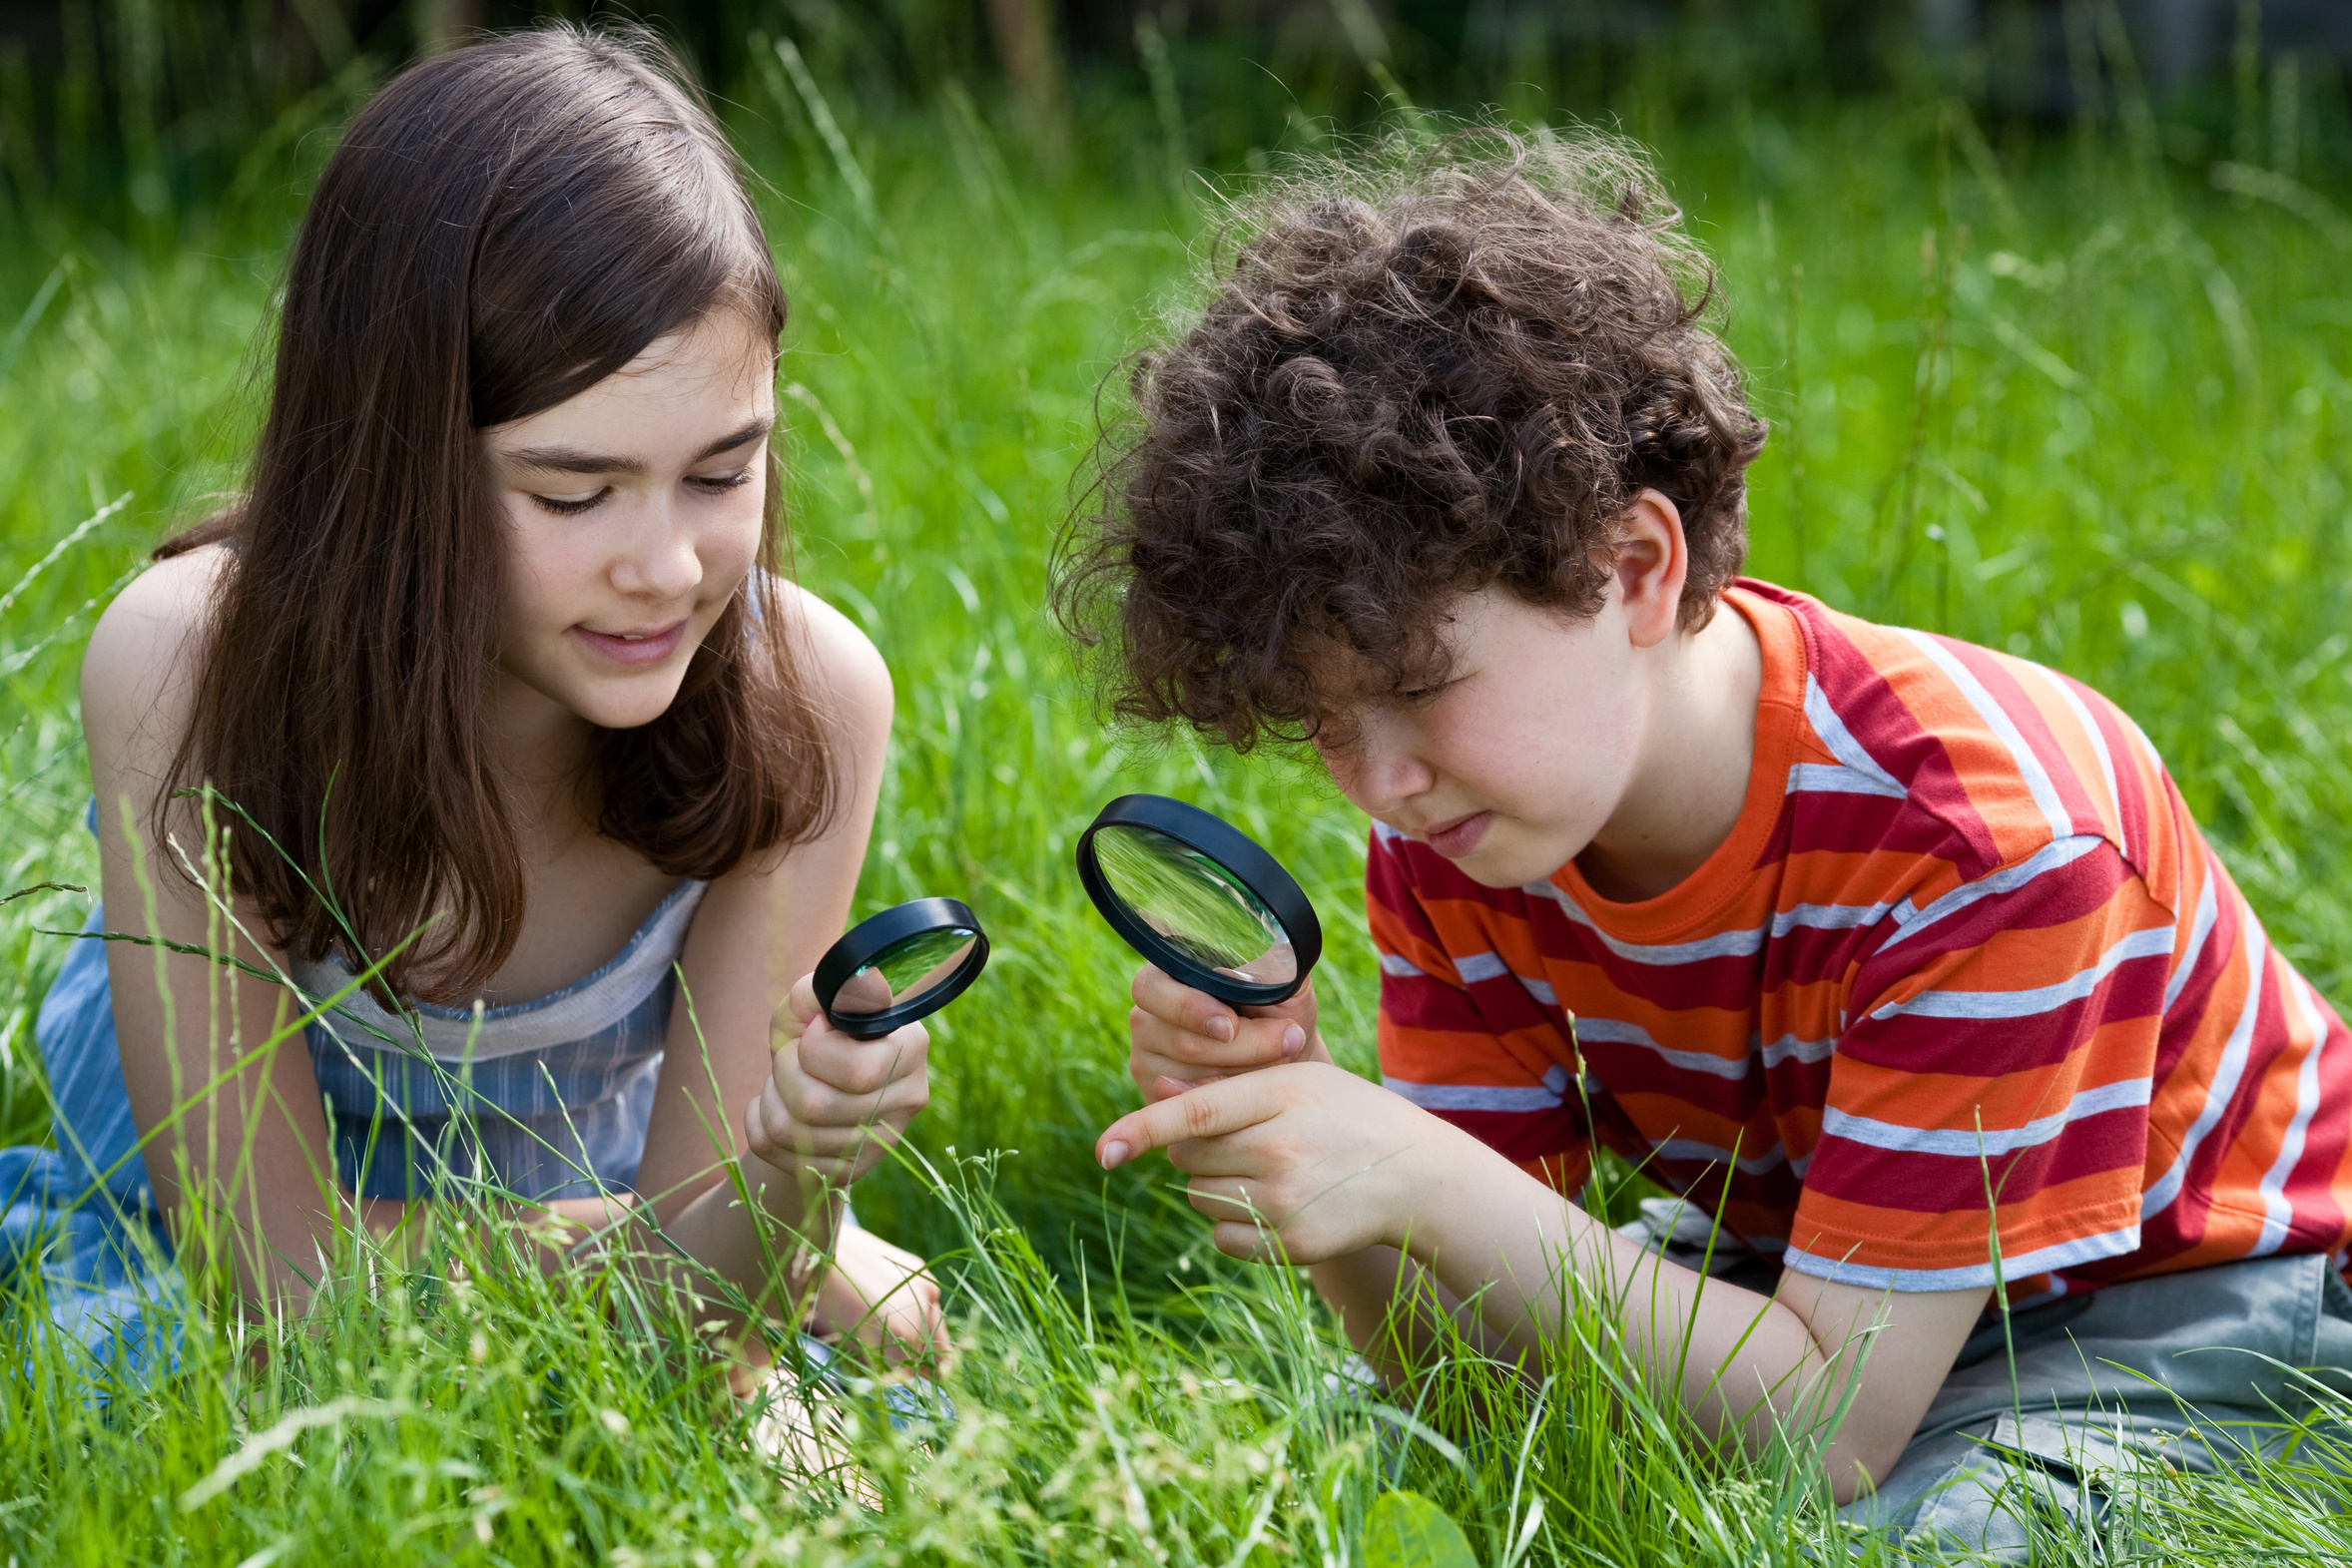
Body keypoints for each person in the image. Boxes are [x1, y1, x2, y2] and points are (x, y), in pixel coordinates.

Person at [1057, 126, 2352, 1553]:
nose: (1379, 784)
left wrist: (1423, 1175)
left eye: (1420, 693)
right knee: (1399, 1478)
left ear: (1634, 567)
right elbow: (1472, 1393)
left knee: (1915, 1539)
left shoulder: (1985, 842)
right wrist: (1337, 1174)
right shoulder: (1468, 828)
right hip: (1825, 1270)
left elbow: (1835, 1430)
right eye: (1320, 726)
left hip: (2201, 1304)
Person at [0, 25, 940, 1395]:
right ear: (387, 459)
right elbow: (276, 1293)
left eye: (721, 471)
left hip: (584, 1223)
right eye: (572, 492)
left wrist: (792, 1174)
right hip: (194, 1230)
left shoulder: (806, 703)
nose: (667, 568)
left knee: (852, 1397)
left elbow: (696, 1326)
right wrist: (644, 1244)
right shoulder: (192, 670)